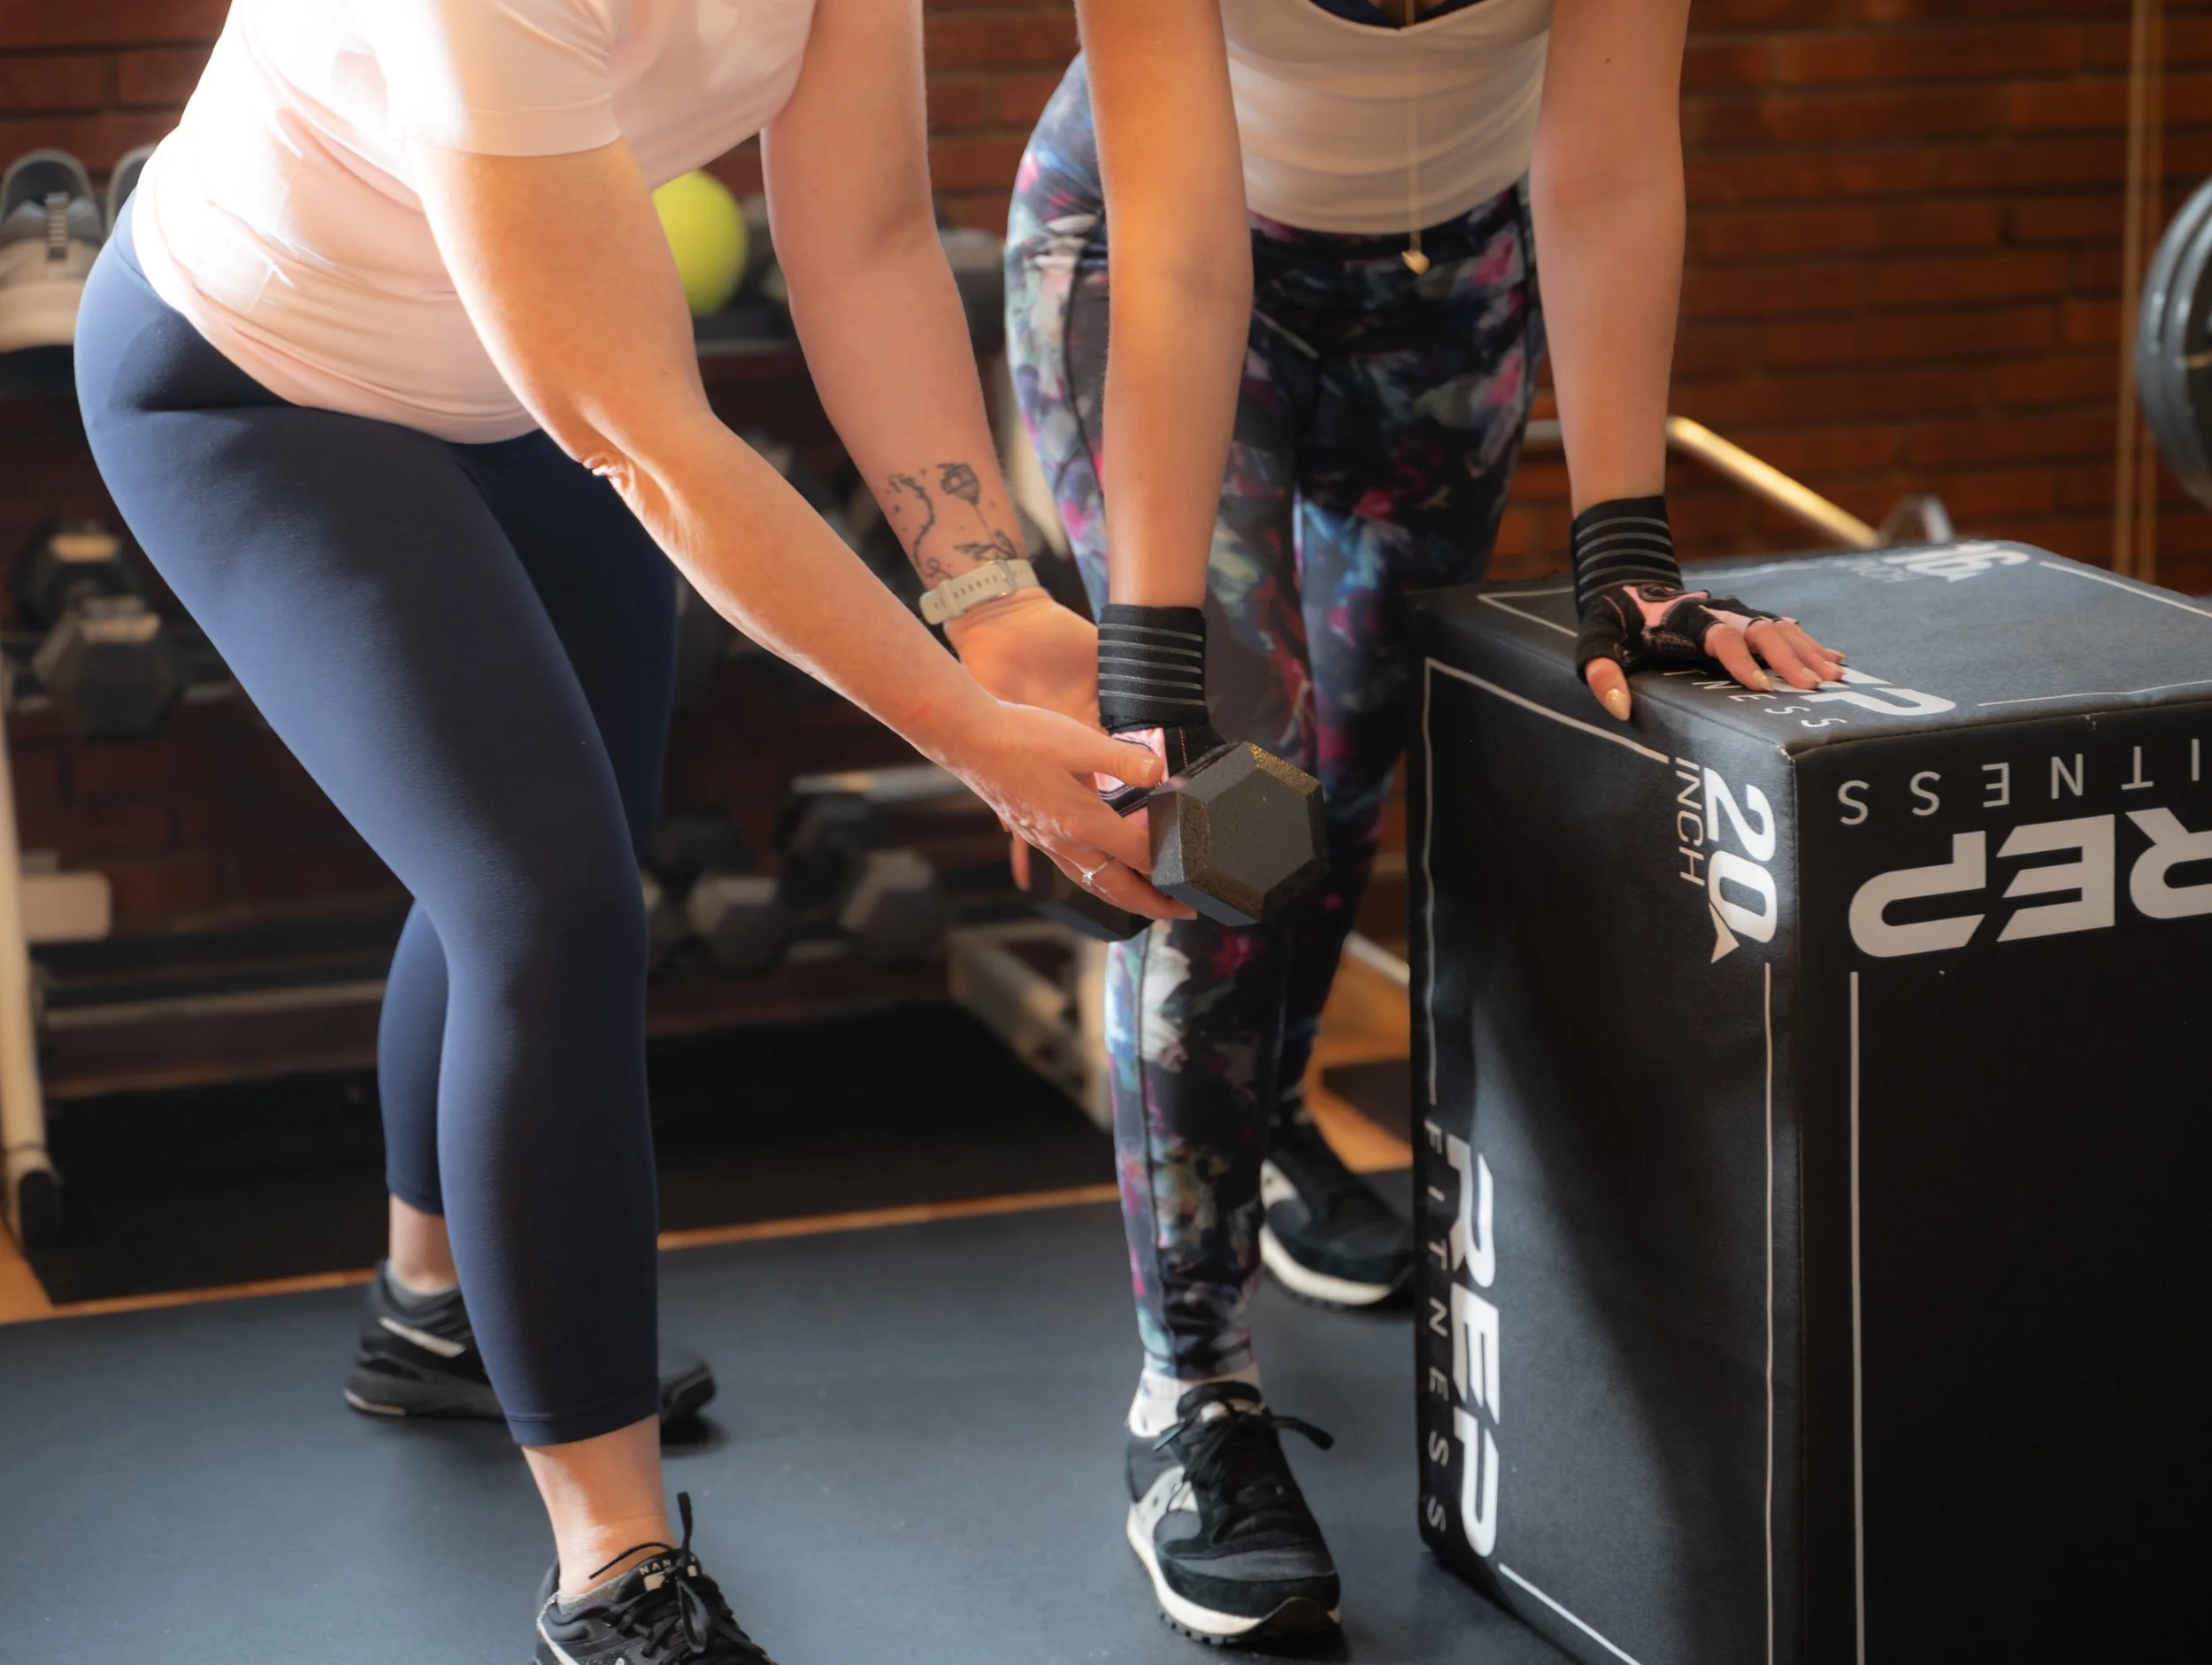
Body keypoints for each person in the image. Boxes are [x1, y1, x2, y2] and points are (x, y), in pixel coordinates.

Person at [72, 3, 1197, 1661]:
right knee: (549, 901)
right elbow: (645, 437)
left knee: (529, 854)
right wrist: (967, 732)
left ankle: (431, 1312)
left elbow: (870, 240)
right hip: (260, 382)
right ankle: (613, 1559)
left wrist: (991, 594)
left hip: (528, 386)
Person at [984, 0, 1847, 1645]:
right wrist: (1156, 654)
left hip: (1451, 282)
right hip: (1155, 253)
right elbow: (1178, 245)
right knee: (1229, 799)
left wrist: (1625, 552)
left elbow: (1598, 166)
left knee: (1360, 752)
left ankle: (1275, 1104)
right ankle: (1193, 1390)